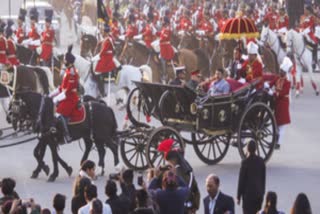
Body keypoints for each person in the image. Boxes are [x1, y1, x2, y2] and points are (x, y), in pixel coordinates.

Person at [160, 139, 200, 213]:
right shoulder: (188, 170)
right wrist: (195, 206)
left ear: (172, 161)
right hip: (189, 206)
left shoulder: (175, 174)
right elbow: (196, 190)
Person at [49, 45, 79, 143]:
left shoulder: (72, 72)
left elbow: (68, 89)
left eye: (65, 60)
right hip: (66, 95)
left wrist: (57, 98)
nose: (64, 62)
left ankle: (67, 135)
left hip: (71, 97)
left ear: (68, 61)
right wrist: (51, 94)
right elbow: (62, 87)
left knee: (59, 113)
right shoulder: (67, 70)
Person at [237, 140, 266, 214]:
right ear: (256, 149)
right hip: (258, 194)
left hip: (248, 195)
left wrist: (238, 196)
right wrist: (262, 192)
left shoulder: (245, 162)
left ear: (247, 149)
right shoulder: (261, 161)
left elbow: (241, 180)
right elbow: (263, 179)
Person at [95, 23, 121, 97]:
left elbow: (104, 49)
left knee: (97, 70)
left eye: (103, 31)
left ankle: (102, 90)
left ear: (105, 32)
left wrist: (98, 55)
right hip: (105, 55)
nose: (102, 32)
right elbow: (103, 43)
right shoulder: (107, 38)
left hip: (107, 57)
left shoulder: (108, 39)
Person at [273, 57, 291, 149]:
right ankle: (276, 140)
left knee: (282, 125)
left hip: (283, 103)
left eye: (281, 71)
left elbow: (283, 92)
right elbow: (272, 82)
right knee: (276, 123)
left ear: (285, 72)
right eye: (280, 70)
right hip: (277, 103)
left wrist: (274, 93)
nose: (280, 72)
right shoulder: (278, 78)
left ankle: (279, 143)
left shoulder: (287, 82)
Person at [300, 6, 318, 70]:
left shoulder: (312, 17)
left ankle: (314, 60)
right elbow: (301, 25)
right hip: (302, 32)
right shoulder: (302, 17)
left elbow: (311, 26)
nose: (304, 11)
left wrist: (305, 32)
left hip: (309, 33)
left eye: (305, 10)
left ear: (309, 11)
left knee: (314, 44)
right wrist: (301, 31)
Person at [159, 16, 175, 81]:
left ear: (165, 22)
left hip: (166, 48)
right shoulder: (164, 28)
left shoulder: (167, 29)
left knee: (162, 59)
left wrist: (159, 39)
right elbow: (161, 34)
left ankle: (165, 75)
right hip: (163, 46)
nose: (162, 22)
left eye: (163, 21)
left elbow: (164, 37)